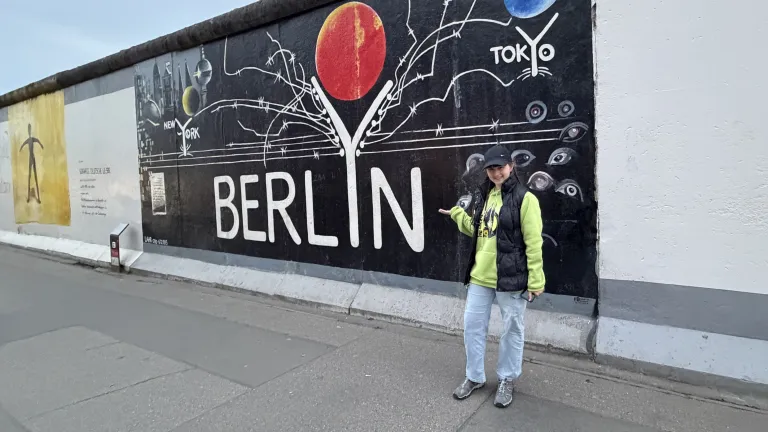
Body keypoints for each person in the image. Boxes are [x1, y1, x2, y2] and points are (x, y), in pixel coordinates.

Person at [439, 144, 545, 408]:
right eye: (491, 169)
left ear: (511, 166)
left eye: (500, 167)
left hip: (510, 278)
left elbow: (534, 242)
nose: (496, 173)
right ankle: (474, 377)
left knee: (512, 329)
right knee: (473, 328)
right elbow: (478, 231)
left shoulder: (525, 199)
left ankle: (507, 379)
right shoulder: (483, 196)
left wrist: (536, 280)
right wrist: (456, 215)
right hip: (480, 277)